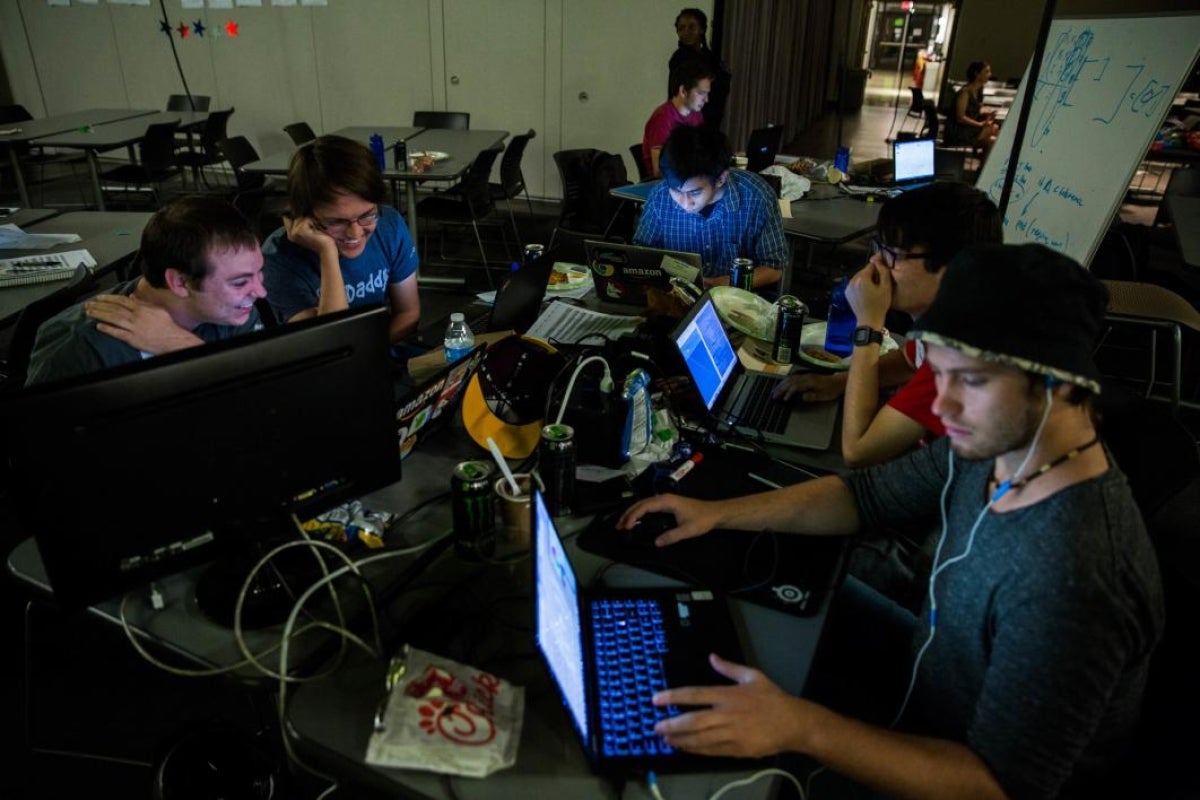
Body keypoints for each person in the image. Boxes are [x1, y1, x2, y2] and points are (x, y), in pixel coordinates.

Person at [619, 243, 1164, 800]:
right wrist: (719, 515)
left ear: (1061, 385)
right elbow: (866, 497)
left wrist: (799, 726)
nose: (944, 409)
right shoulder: (995, 444)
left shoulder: (1075, 576)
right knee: (743, 594)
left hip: (954, 763)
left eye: (970, 382)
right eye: (940, 375)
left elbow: (996, 785)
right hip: (930, 673)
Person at [774, 183, 1002, 468]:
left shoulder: (957, 358)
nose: (876, 261)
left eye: (893, 254)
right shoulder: (950, 319)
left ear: (953, 268)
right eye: (879, 247)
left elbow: (858, 450)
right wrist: (838, 383)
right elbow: (908, 362)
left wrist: (869, 322)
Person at [25, 195, 266, 386]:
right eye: (239, 282)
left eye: (259, 273)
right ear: (180, 282)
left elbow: (263, 399)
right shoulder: (79, 349)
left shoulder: (235, 313)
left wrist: (181, 346)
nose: (260, 291)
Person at [262, 134, 420, 348]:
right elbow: (330, 344)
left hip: (379, 351)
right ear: (305, 215)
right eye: (336, 221)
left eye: (367, 215)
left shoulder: (388, 224)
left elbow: (408, 312)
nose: (354, 233)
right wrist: (327, 252)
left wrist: (369, 353)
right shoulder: (278, 259)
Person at [633, 125, 788, 290]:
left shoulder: (757, 196)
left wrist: (724, 284)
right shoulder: (660, 196)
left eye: (694, 192)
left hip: (737, 300)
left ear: (721, 179)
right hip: (674, 296)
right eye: (676, 191)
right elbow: (641, 253)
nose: (685, 203)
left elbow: (774, 267)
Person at [643, 59, 714, 178]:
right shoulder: (662, 119)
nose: (706, 100)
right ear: (683, 91)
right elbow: (659, 171)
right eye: (701, 93)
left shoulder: (696, 115)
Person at [669, 7, 731, 132]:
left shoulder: (710, 57)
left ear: (702, 29)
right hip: (689, 122)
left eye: (692, 27)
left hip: (711, 119)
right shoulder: (680, 58)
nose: (686, 32)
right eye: (681, 28)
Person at [944, 61, 1000, 160]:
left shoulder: (978, 91)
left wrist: (987, 114)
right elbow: (960, 118)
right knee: (994, 131)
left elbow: (975, 109)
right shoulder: (965, 92)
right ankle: (984, 162)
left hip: (967, 129)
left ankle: (983, 162)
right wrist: (980, 124)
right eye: (986, 72)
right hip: (958, 132)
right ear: (977, 74)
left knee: (992, 137)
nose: (990, 74)